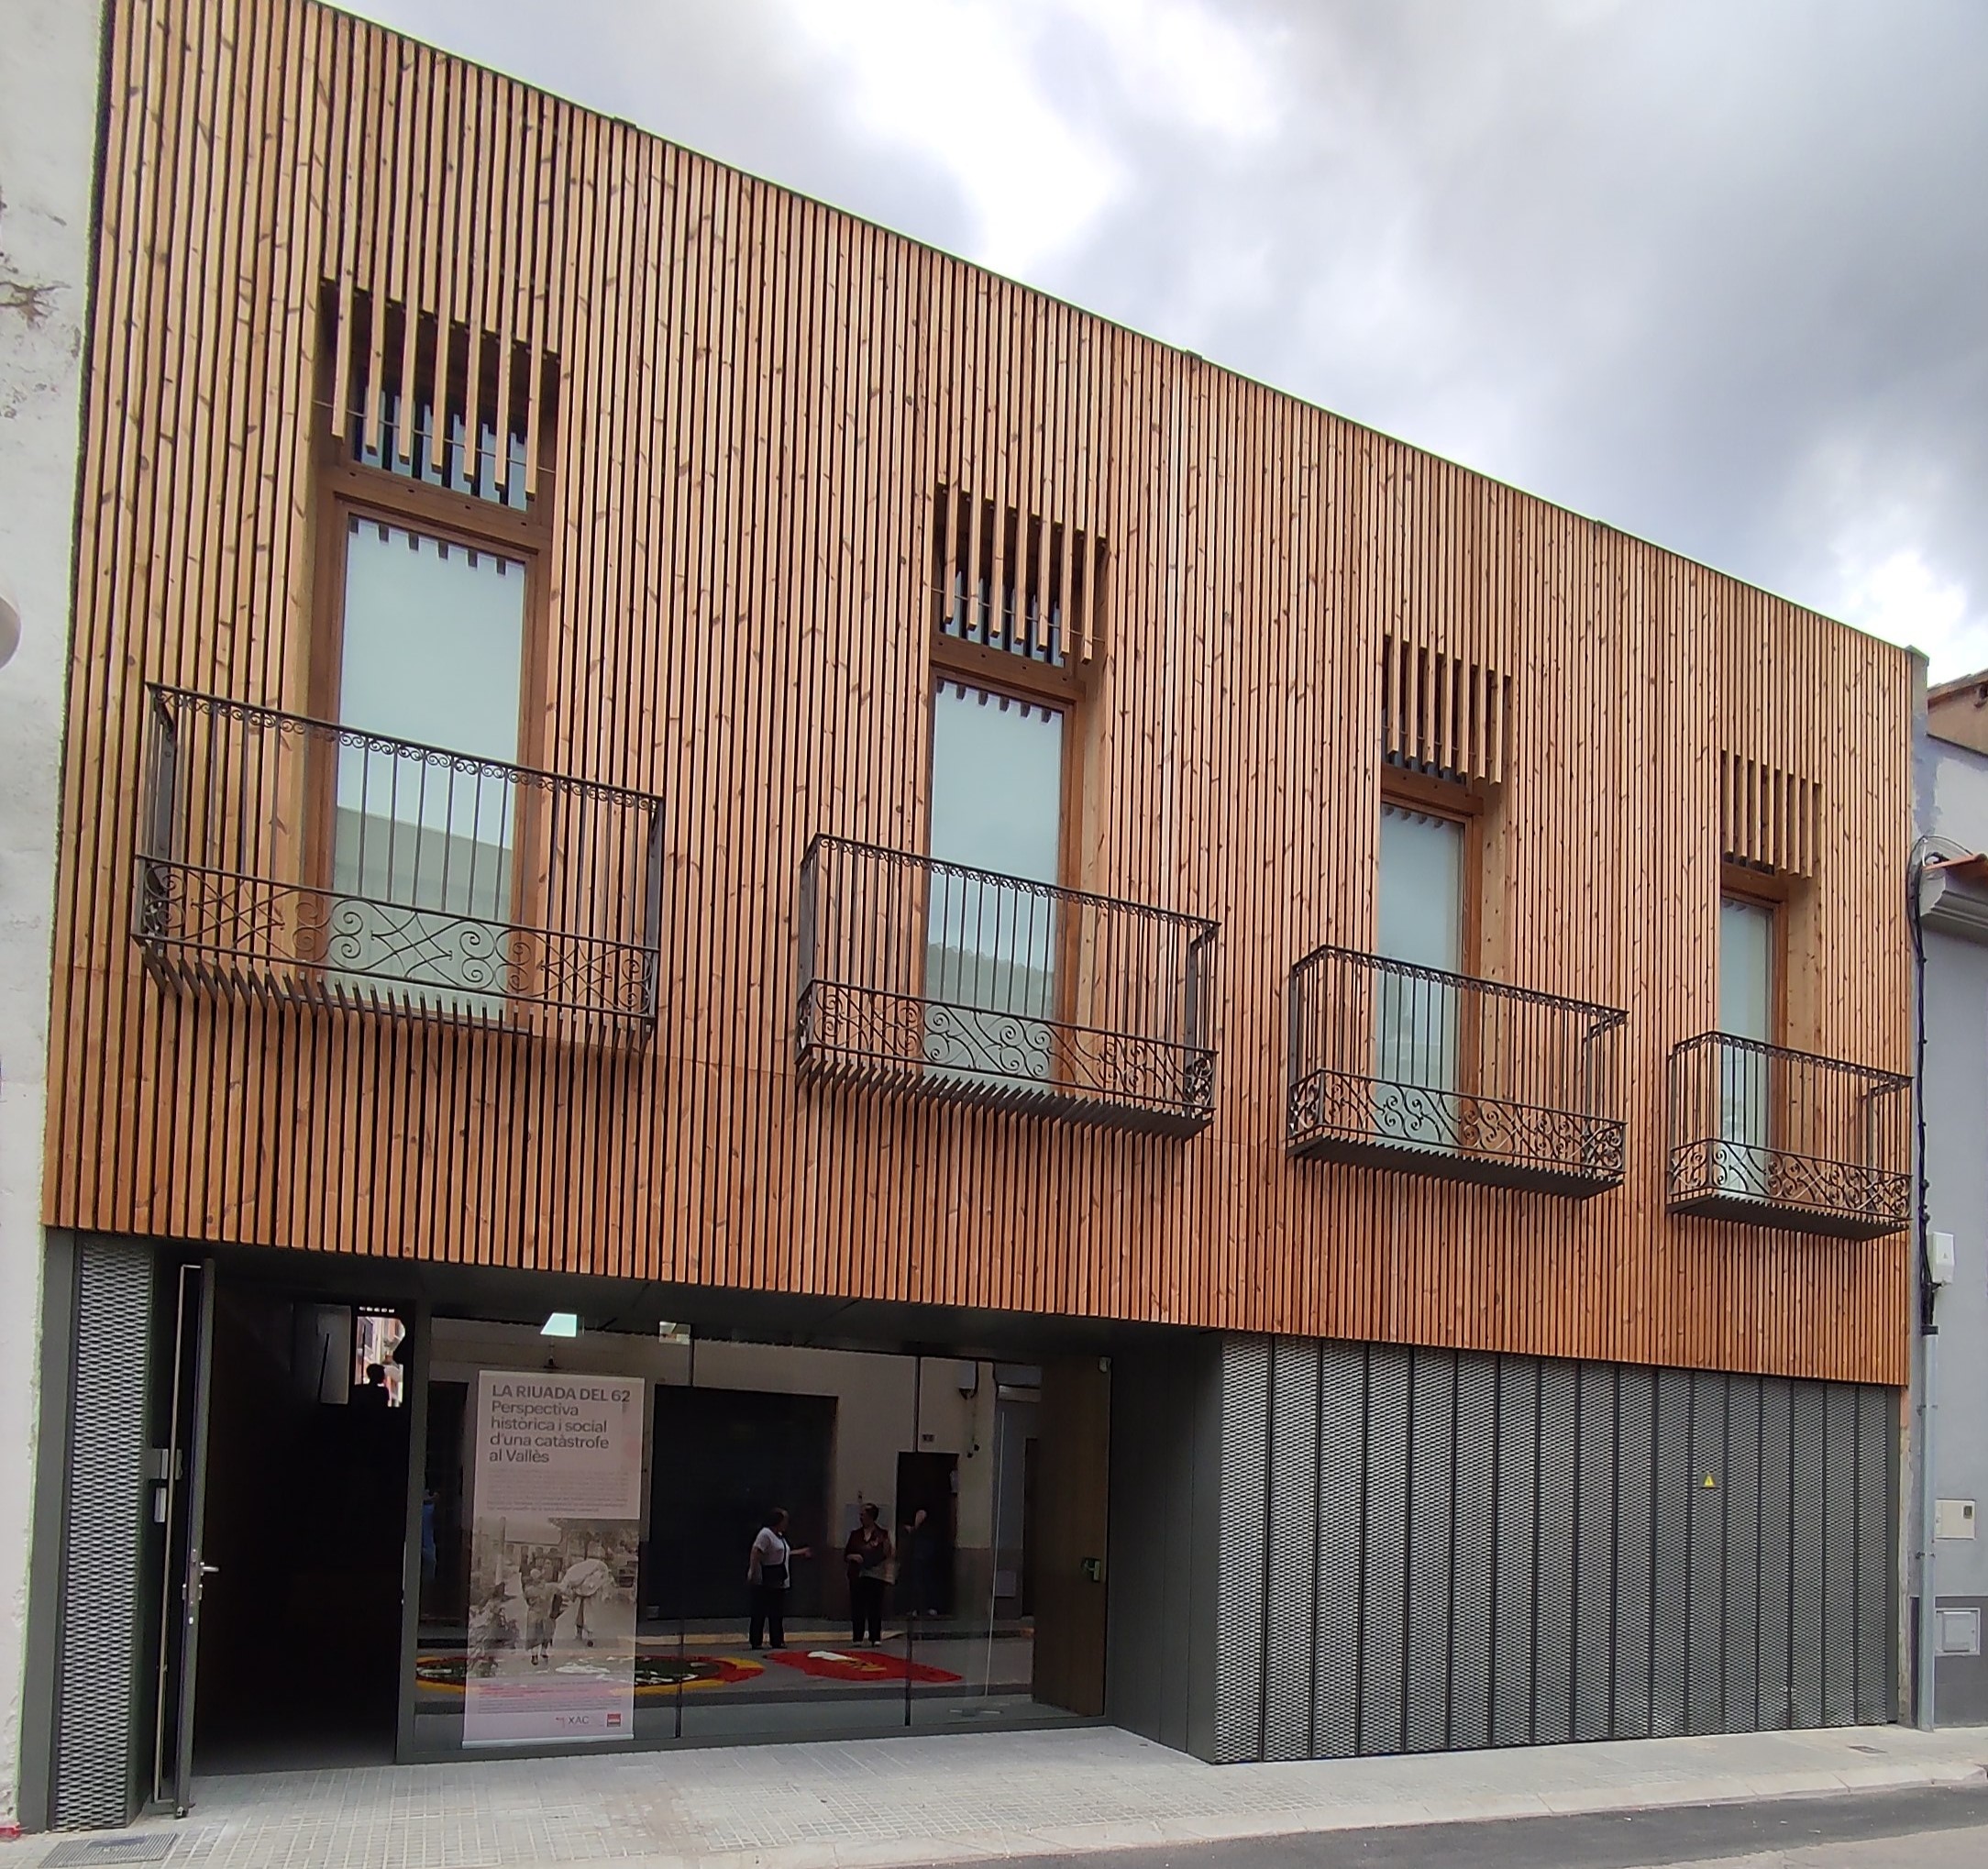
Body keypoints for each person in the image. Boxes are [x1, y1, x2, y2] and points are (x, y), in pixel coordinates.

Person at [747, 1508, 811, 1651]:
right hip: (767, 1575)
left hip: (779, 1576)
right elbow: (756, 1551)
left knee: (777, 1611)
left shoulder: (780, 1536)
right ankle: (756, 1640)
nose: (786, 1523)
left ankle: (777, 1639)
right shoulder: (766, 1534)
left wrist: (801, 1552)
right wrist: (753, 1570)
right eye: (784, 1520)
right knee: (761, 1609)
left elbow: (784, 1553)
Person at [844, 1502, 892, 1646]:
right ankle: (857, 1636)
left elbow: (885, 1554)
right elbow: (846, 1554)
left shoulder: (882, 1534)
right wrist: (853, 1557)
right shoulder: (855, 1535)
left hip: (875, 1574)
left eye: (863, 1515)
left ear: (871, 1517)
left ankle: (875, 1636)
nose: (861, 1517)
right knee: (857, 1606)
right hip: (857, 1574)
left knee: (875, 1606)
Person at [558, 1547, 613, 1647]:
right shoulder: (573, 1573)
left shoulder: (577, 1573)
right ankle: (579, 1634)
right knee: (579, 1613)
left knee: (589, 1612)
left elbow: (603, 1580)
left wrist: (603, 1592)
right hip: (582, 1589)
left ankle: (590, 1636)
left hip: (590, 1590)